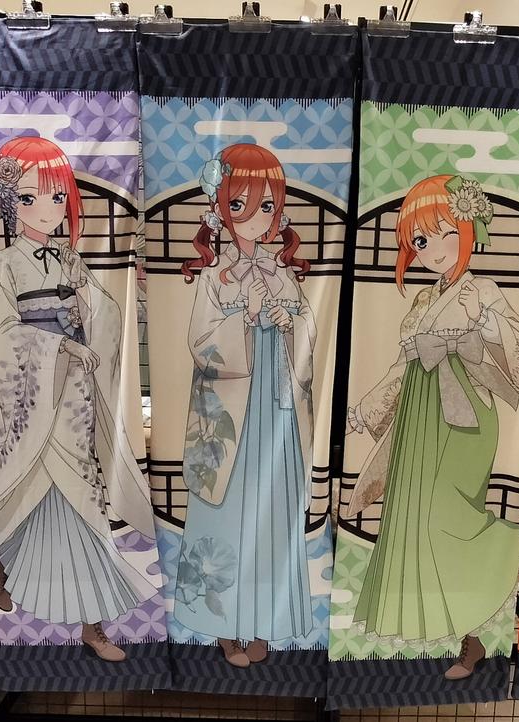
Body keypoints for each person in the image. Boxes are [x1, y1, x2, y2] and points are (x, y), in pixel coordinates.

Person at [0, 136, 158, 663]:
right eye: (30, 198)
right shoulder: (5, 264)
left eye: (56, 197)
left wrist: (88, 305)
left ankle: (92, 622)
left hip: (73, 397)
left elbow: (107, 314)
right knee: (25, 485)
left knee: (83, 493)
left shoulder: (71, 260)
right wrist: (58, 344)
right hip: (33, 396)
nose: (47, 209)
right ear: (10, 202)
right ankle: (2, 567)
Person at [345, 174, 519, 680]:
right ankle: (441, 630)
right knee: (415, 517)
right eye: (420, 240)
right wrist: (365, 410)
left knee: (451, 517)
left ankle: (476, 624)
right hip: (419, 412)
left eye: (444, 233)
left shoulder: (483, 290)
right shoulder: (422, 302)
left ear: (469, 229)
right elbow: (403, 366)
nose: (432, 249)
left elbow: (517, 344)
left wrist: (487, 325)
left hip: (465, 415)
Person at [176, 143, 316, 668]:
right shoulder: (215, 277)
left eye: (267, 206)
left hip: (277, 409)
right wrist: (245, 317)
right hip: (230, 416)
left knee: (273, 514)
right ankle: (223, 624)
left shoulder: (283, 273)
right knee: (227, 516)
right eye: (240, 204)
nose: (256, 217)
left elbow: (310, 334)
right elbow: (200, 344)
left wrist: (289, 323)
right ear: (220, 208)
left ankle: (264, 620)